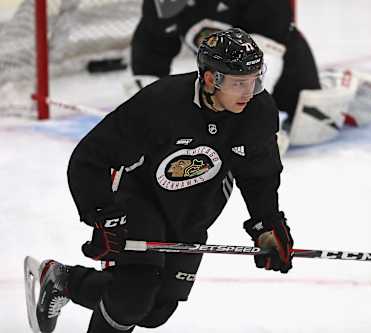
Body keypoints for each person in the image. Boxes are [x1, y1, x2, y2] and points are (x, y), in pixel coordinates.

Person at [33, 28, 293, 333]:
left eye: (254, 80)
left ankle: (65, 280)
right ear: (211, 79)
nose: (249, 92)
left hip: (195, 210)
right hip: (140, 199)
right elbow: (89, 159)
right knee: (133, 297)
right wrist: (102, 215)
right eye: (239, 83)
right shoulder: (161, 104)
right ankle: (82, 285)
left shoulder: (258, 111)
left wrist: (266, 225)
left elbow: (259, 173)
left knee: (155, 312)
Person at [127, 0, 371, 153]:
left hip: (281, 60)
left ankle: (338, 82)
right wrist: (150, 120)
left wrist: (252, 123)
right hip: (219, 76)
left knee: (311, 127)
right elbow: (150, 52)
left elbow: (270, 51)